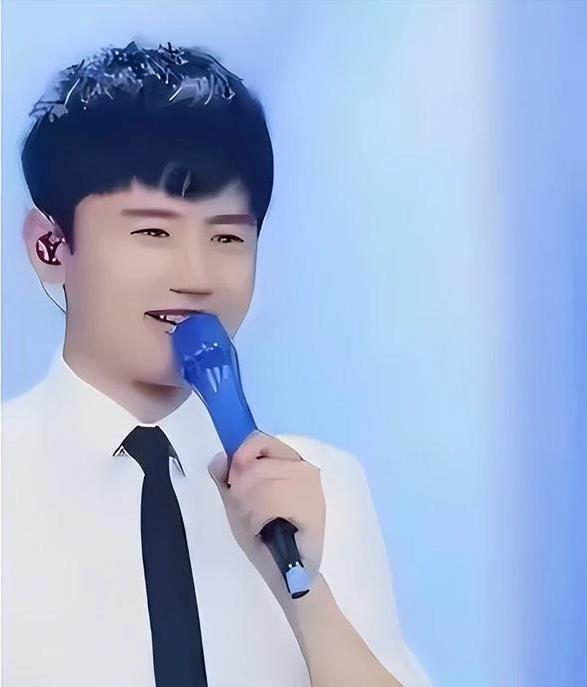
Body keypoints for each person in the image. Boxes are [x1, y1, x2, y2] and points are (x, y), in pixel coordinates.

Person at [2, 42, 430, 687]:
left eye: (227, 236)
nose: (197, 276)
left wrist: (304, 590)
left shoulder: (321, 490)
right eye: (153, 232)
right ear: (50, 245)